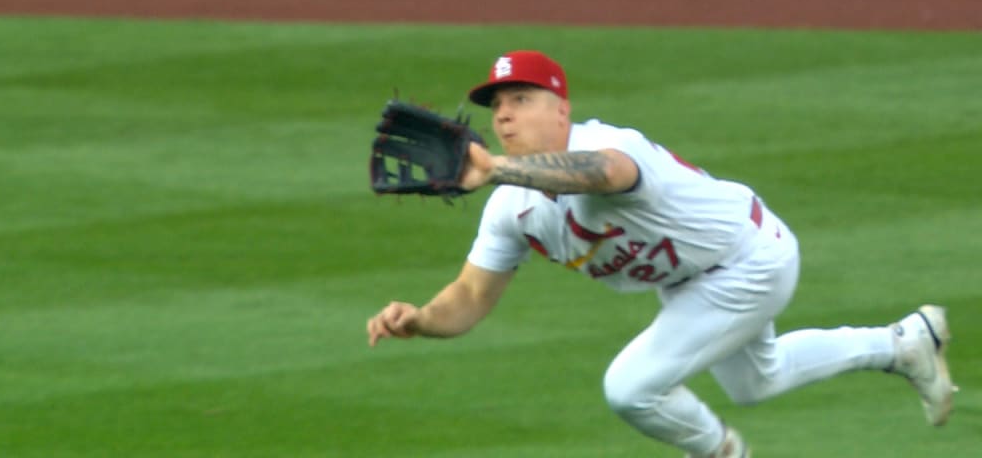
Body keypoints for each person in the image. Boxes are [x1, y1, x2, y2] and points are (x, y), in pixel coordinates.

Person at [366, 50, 955, 457]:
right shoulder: (510, 208)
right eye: (497, 106)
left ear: (562, 109)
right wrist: (419, 319)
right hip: (692, 280)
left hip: (751, 259)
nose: (505, 115)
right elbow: (470, 295)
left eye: (522, 98)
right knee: (757, 381)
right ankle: (903, 343)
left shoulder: (608, 145)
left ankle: (721, 451)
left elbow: (603, 174)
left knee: (630, 387)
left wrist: (496, 168)